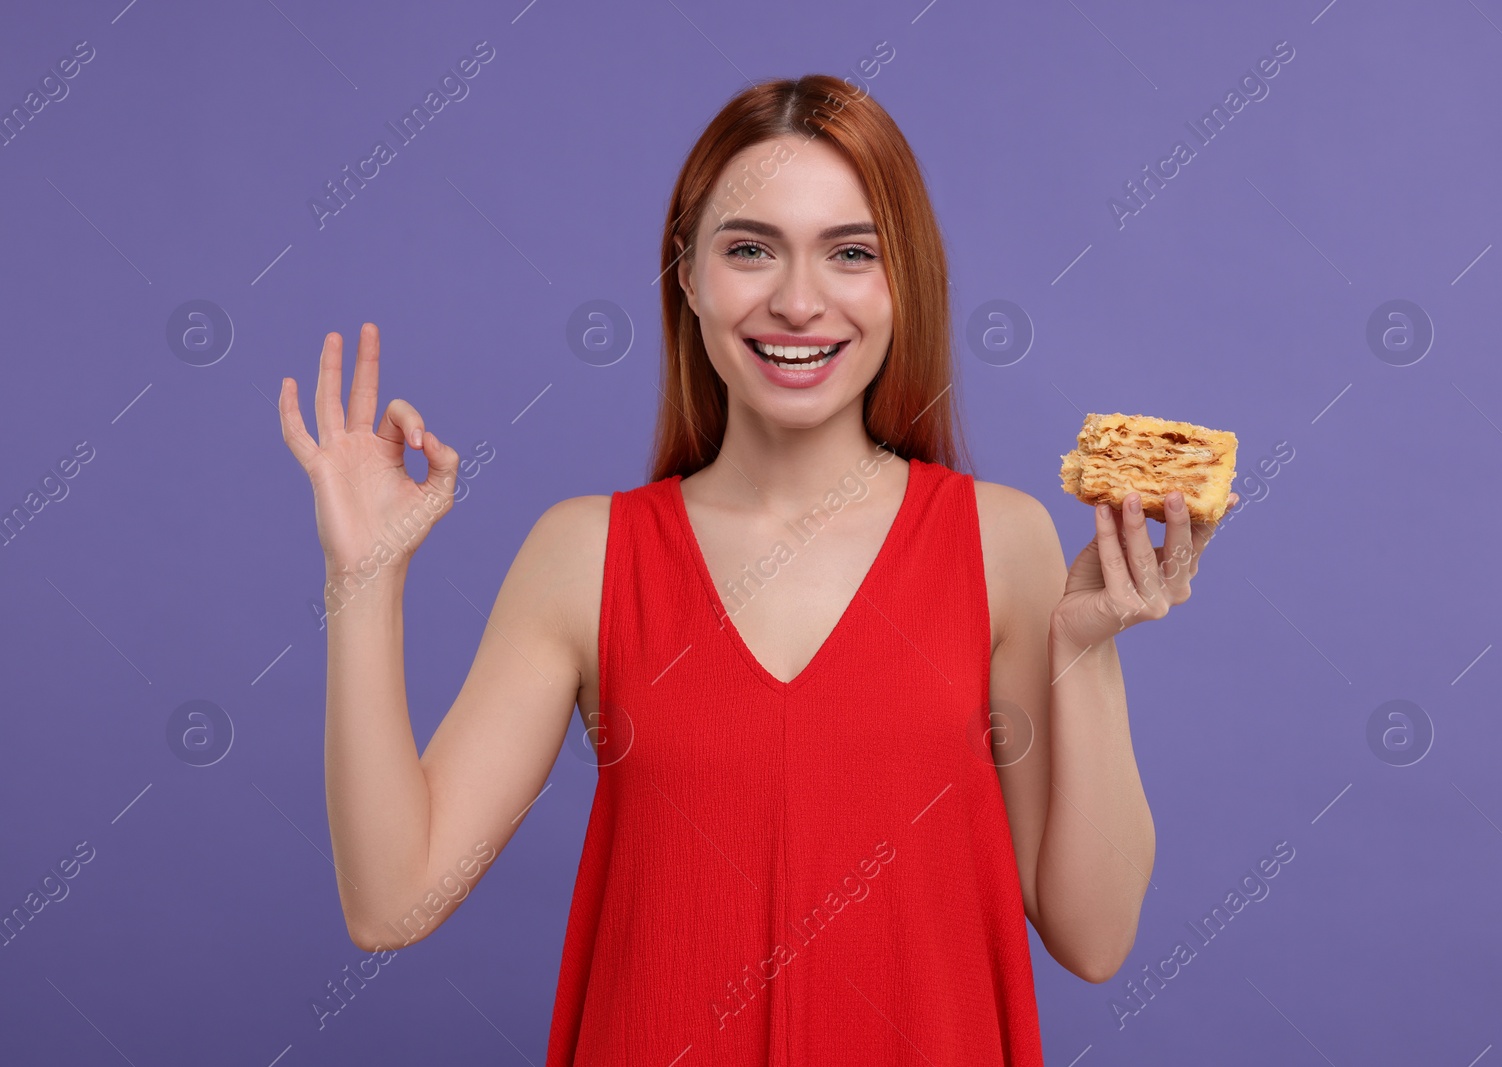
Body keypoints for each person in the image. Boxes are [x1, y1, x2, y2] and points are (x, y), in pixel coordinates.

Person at [276, 73, 1237, 1064]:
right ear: (687, 276)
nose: (796, 300)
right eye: (748, 250)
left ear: (903, 281)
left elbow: (1096, 934)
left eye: (850, 253)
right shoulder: (584, 553)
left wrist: (1087, 649)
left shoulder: (1002, 543)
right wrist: (365, 577)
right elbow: (393, 900)